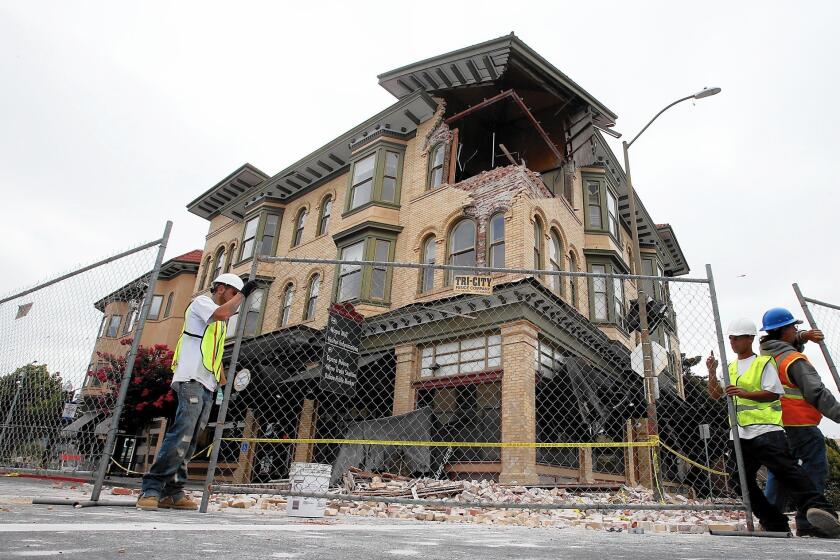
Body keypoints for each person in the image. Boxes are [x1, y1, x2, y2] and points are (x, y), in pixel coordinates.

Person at [706, 318, 840, 537]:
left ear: (750, 339)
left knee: (787, 471)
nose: (733, 342)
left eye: (737, 338)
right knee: (740, 480)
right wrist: (712, 371)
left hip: (767, 430)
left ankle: (821, 509)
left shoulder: (764, 363)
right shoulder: (729, 368)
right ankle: (774, 521)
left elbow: (774, 392)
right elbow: (715, 394)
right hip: (740, 432)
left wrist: (744, 394)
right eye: (730, 338)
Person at [136, 273, 257, 511]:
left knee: (191, 439)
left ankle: (173, 490)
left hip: (207, 382)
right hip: (190, 377)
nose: (235, 300)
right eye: (233, 294)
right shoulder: (203, 303)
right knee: (182, 433)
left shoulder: (220, 323)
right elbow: (223, 313)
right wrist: (244, 294)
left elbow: (215, 353)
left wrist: (221, 384)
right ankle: (152, 488)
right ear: (221, 288)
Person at [758, 307, 840, 537]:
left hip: (774, 426)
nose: (796, 330)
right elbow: (816, 392)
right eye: (793, 327)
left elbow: (785, 342)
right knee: (815, 467)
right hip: (801, 425)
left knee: (781, 471)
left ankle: (771, 521)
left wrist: (803, 336)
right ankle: (809, 520)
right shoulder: (794, 360)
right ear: (784, 332)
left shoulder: (764, 357)